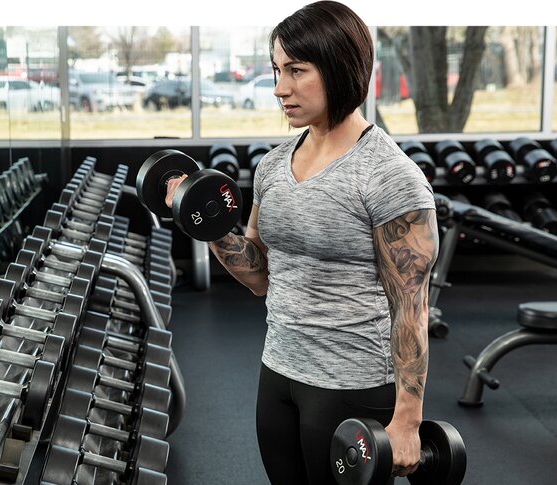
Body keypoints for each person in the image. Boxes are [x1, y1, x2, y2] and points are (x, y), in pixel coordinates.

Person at [166, 2, 438, 483]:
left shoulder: (390, 176)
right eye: (276, 69)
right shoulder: (271, 166)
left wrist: (408, 421)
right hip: (279, 371)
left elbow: (410, 306)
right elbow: (258, 276)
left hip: (351, 383)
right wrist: (202, 222)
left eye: (296, 70)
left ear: (338, 67)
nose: (279, 88)